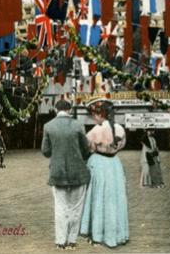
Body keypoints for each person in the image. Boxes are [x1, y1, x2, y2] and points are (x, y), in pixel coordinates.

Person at [41, 100, 91, 250]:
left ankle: (60, 241)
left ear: (56, 109)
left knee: (61, 207)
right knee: (76, 208)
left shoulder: (48, 126)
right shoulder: (78, 125)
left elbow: (45, 151)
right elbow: (86, 149)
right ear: (70, 109)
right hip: (78, 172)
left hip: (57, 173)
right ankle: (72, 241)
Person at [80, 99, 129, 248]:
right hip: (114, 164)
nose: (94, 117)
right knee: (115, 199)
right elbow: (122, 145)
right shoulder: (120, 128)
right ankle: (117, 234)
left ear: (100, 114)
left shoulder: (95, 130)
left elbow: (87, 148)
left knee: (98, 197)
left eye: (94, 114)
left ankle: (97, 234)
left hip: (99, 164)